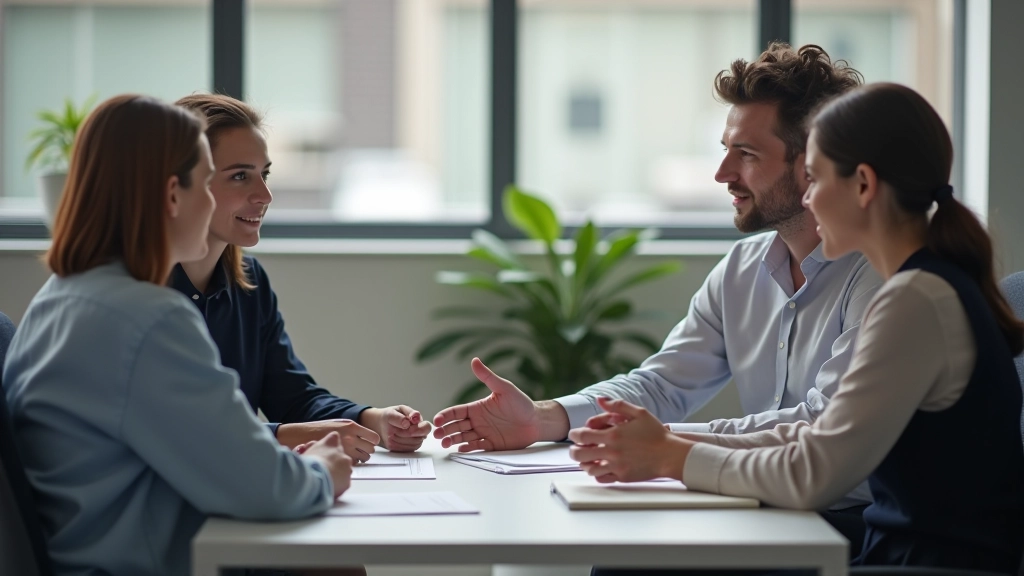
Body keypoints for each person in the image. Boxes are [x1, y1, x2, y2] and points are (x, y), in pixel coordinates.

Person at [569, 83, 1024, 573]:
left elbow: (814, 473)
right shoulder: (924, 287)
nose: (808, 198)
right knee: (633, 560)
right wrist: (667, 444)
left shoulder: (913, 300)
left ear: (864, 186)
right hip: (895, 551)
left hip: (923, 566)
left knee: (631, 565)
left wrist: (669, 457)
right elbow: (819, 441)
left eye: (814, 178)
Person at [433, 43, 882, 530]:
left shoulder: (876, 276)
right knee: (622, 555)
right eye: (725, 150)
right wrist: (543, 419)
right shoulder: (743, 268)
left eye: (747, 154)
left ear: (811, 163)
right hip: (760, 501)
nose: (722, 174)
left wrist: (663, 444)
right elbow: (663, 383)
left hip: (851, 519)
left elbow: (820, 426)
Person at [2, 95, 354, 576]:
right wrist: (325, 472)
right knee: (333, 563)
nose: (211, 202)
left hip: (95, 553)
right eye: (207, 183)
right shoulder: (146, 318)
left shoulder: (62, 296)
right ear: (173, 195)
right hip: (143, 564)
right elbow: (262, 485)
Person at [171, 94, 431, 460]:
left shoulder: (250, 282)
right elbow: (175, 430)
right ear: (185, 183)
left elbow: (292, 397)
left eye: (265, 174)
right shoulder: (137, 292)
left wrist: (372, 421)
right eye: (240, 176)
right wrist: (289, 436)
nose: (264, 195)